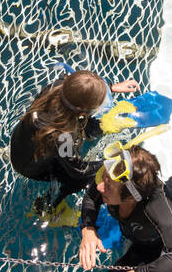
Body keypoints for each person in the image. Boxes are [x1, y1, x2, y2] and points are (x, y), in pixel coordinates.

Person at [10, 68, 139, 203]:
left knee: (89, 125)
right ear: (83, 109)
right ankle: (49, 205)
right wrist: (109, 163)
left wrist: (111, 87)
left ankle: (91, 129)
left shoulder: (59, 86)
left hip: (23, 141)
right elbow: (78, 170)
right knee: (81, 180)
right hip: (30, 166)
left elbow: (81, 89)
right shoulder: (62, 137)